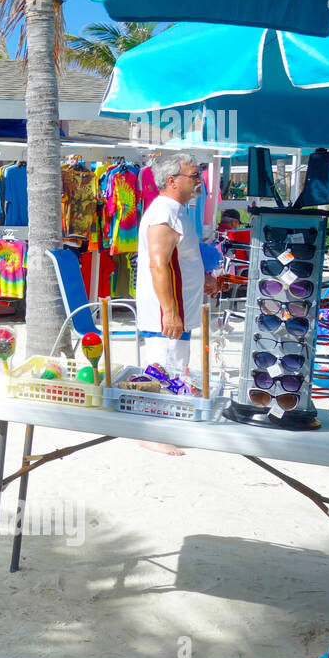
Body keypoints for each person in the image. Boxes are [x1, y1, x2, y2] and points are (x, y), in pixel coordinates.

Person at [136, 153, 217, 455]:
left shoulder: (176, 210)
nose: (199, 181)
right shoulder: (164, 213)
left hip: (180, 305)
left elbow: (180, 257)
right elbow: (159, 266)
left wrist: (204, 275)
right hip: (166, 308)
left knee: (175, 367)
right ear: (172, 181)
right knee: (162, 367)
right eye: (194, 175)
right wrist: (169, 311)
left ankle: (166, 425)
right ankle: (151, 432)